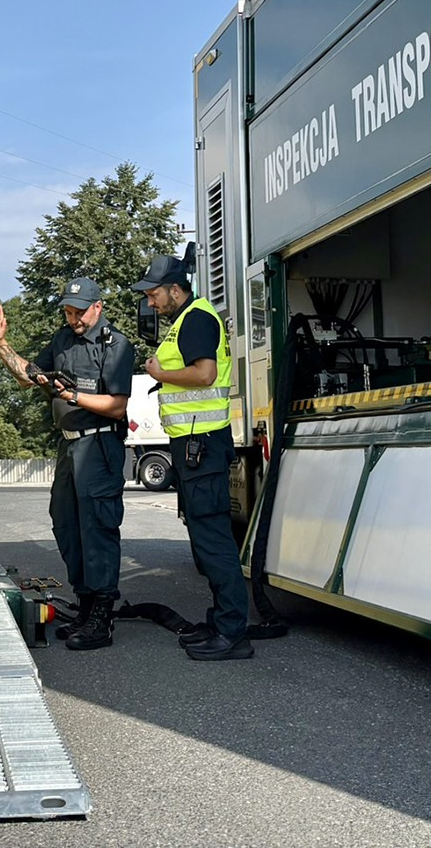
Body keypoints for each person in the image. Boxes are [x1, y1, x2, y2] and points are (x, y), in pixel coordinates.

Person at [0, 277, 133, 650]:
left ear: (98, 307)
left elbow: (117, 406)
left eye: (79, 312)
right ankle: (85, 606)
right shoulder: (63, 339)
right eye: (68, 312)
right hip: (68, 447)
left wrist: (73, 395)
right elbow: (29, 377)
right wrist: (2, 345)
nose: (73, 319)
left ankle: (101, 617)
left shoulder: (115, 345)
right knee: (68, 525)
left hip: (99, 445)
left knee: (98, 528)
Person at [134, 254, 252, 661]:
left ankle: (232, 633)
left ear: (175, 289)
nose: (151, 303)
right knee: (205, 541)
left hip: (201, 443)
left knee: (213, 541)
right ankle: (222, 623)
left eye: (154, 295)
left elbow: (204, 375)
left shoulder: (197, 318)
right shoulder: (186, 320)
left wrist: (159, 374)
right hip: (193, 445)